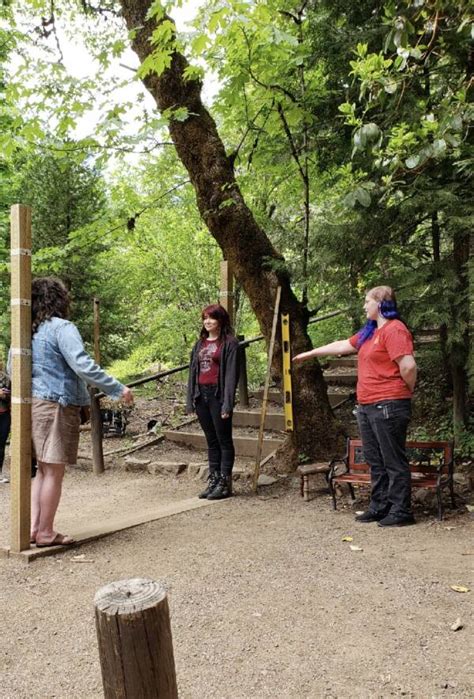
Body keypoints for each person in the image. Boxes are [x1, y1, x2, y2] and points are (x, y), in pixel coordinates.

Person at [293, 285, 417, 527]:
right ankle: (380, 506)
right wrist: (309, 354)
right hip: (367, 405)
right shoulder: (370, 332)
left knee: (392, 459)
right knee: (375, 459)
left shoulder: (395, 330)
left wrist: (405, 391)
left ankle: (401, 510)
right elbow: (342, 345)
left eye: (367, 301)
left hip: (388, 404)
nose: (364, 306)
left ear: (381, 304)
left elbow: (409, 366)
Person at [29, 277, 134, 547]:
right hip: (57, 404)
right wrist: (117, 388)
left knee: (42, 469)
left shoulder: (30, 329)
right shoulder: (61, 327)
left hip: (36, 403)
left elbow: (11, 366)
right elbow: (82, 364)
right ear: (59, 299)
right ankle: (45, 532)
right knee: (53, 471)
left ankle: (34, 528)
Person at [186, 304, 240, 500]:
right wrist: (190, 400)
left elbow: (232, 376)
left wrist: (227, 403)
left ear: (220, 320)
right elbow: (193, 373)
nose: (207, 321)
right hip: (202, 396)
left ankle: (224, 483)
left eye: (211, 318)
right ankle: (214, 480)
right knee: (211, 441)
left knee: (224, 440)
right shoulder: (199, 344)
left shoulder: (230, 343)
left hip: (218, 396)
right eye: (205, 318)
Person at [0, 362, 11, 484]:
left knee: (1, 445)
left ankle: (0, 473)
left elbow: (12, 396)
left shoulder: (6, 378)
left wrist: (5, 396)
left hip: (4, 415)